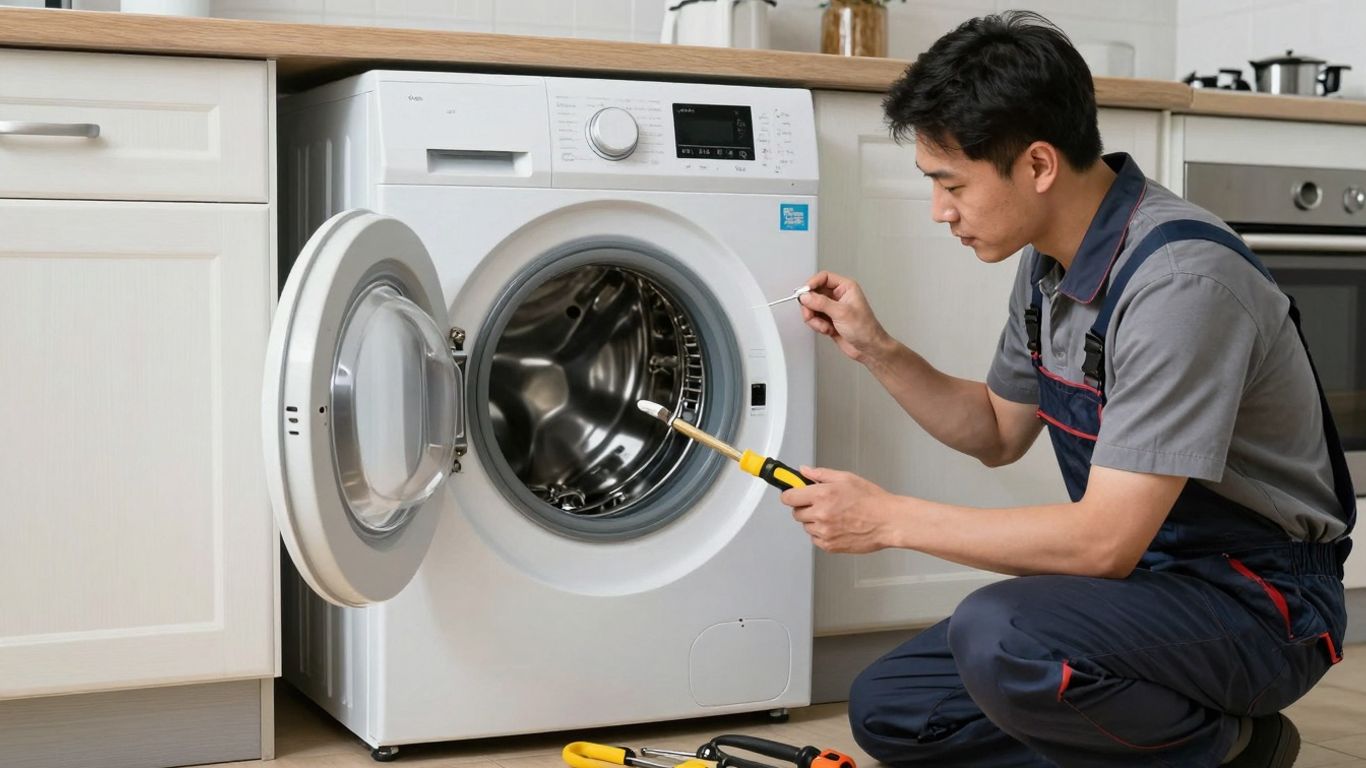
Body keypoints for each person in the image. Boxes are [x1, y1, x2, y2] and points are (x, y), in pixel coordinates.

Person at [780, 10, 1355, 768]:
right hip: (1147, 589)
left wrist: (887, 520)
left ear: (1039, 165)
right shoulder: (1049, 261)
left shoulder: (1178, 283)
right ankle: (1195, 749)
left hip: (1258, 604)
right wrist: (876, 350)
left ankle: (1225, 746)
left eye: (951, 183)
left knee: (1003, 636)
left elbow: (1104, 543)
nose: (939, 210)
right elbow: (994, 429)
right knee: (893, 708)